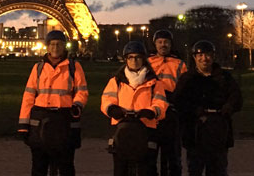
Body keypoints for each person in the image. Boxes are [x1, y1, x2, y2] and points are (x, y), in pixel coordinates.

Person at [17, 30, 89, 176]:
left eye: (59, 44)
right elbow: (29, 96)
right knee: (39, 165)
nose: (55, 48)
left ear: (64, 46)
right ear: (47, 47)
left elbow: (82, 92)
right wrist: (23, 125)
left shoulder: (74, 67)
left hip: (64, 117)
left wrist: (77, 105)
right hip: (41, 118)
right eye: (52, 44)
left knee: (65, 165)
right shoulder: (38, 68)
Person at [175, 40, 243, 176]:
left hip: (218, 132)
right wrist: (194, 110)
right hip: (195, 133)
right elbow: (179, 101)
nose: (204, 59)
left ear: (213, 56)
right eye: (200, 55)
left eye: (207, 55)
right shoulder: (187, 79)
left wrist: (229, 106)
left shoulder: (224, 77)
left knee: (218, 170)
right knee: (195, 169)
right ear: (194, 57)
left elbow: (237, 98)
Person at [102, 41, 169, 176]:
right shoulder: (115, 81)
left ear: (143, 59)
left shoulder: (155, 83)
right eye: (130, 57)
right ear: (126, 59)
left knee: (147, 169)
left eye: (137, 57)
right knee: (120, 170)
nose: (134, 60)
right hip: (123, 128)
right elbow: (107, 99)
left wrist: (152, 111)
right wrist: (111, 109)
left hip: (146, 128)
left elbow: (161, 103)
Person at [149, 30, 187, 176]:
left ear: (171, 44)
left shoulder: (179, 64)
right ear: (155, 44)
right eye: (160, 42)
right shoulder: (148, 62)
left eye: (166, 42)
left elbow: (184, 87)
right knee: (149, 156)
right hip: (152, 113)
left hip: (171, 113)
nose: (163, 45)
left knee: (172, 157)